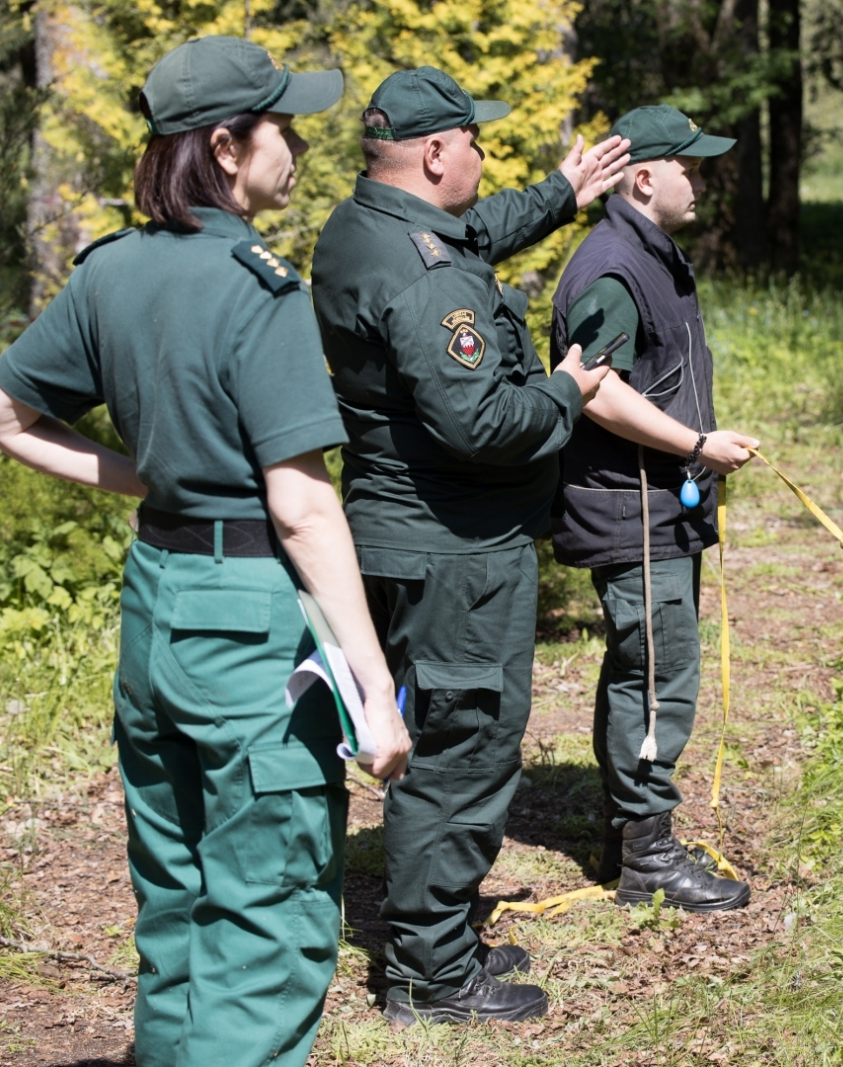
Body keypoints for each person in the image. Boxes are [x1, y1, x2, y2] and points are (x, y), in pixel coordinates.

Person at [0, 36, 411, 1067]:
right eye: (282, 127)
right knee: (269, 916)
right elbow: (303, 509)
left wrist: (143, 479)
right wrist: (375, 689)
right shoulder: (257, 287)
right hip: (250, 614)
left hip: (156, 603)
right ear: (224, 145)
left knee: (175, 894)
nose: (296, 146)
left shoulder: (111, 270)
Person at [309, 67, 625, 1025]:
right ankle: (432, 973)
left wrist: (562, 194)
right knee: (465, 751)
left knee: (447, 738)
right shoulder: (426, 274)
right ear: (436, 153)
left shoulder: (361, 228)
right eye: (476, 143)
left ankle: (433, 939)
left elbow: (473, 231)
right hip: (457, 553)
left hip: (402, 538)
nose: (485, 158)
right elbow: (482, 422)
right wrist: (570, 386)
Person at [549, 105, 760, 912]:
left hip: (659, 508)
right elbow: (595, 392)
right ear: (644, 178)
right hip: (630, 513)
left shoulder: (649, 255)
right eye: (690, 168)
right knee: (657, 672)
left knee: (648, 666)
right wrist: (696, 445)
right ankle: (648, 858)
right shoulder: (610, 266)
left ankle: (627, 829)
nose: (701, 181)